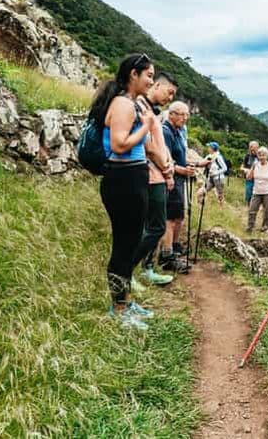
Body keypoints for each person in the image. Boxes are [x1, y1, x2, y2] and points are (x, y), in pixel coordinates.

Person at [87, 53, 156, 331]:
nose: (151, 80)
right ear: (133, 75)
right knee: (124, 246)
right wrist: (148, 127)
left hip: (131, 177)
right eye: (149, 75)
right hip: (123, 179)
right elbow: (119, 144)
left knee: (130, 243)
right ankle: (119, 308)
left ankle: (125, 302)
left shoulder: (129, 103)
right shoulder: (123, 105)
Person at [130, 72, 178, 288]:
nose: (170, 97)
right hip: (151, 175)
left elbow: (160, 144)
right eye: (169, 92)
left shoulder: (152, 111)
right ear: (157, 85)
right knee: (155, 226)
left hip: (158, 175)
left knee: (152, 226)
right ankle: (127, 270)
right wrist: (167, 170)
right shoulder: (139, 106)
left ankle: (147, 268)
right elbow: (148, 147)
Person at [160, 100, 193, 272]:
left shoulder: (178, 132)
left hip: (179, 179)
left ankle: (174, 247)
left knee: (179, 216)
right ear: (171, 114)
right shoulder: (165, 132)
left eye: (187, 114)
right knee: (170, 218)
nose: (185, 118)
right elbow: (165, 159)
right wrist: (182, 170)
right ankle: (167, 256)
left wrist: (197, 164)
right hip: (171, 180)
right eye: (182, 114)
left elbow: (180, 156)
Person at [246, 146, 268, 233]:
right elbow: (249, 178)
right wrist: (252, 168)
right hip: (256, 191)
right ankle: (250, 227)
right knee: (252, 209)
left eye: (263, 155)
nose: (261, 157)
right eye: (260, 155)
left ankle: (266, 227)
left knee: (267, 211)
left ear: (267, 156)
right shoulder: (255, 165)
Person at [197, 142, 227, 206]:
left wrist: (215, 173)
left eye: (209, 147)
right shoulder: (209, 156)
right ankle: (200, 206)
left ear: (213, 148)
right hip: (211, 178)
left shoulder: (218, 157)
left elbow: (225, 168)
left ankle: (222, 210)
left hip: (219, 178)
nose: (208, 148)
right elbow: (202, 162)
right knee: (201, 192)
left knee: (220, 196)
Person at [241, 140, 259, 204]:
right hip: (249, 178)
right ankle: (248, 207)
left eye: (255, 149)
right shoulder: (247, 156)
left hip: (258, 179)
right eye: (251, 148)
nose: (253, 150)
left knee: (257, 195)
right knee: (248, 193)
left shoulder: (260, 157)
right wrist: (245, 170)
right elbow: (241, 167)